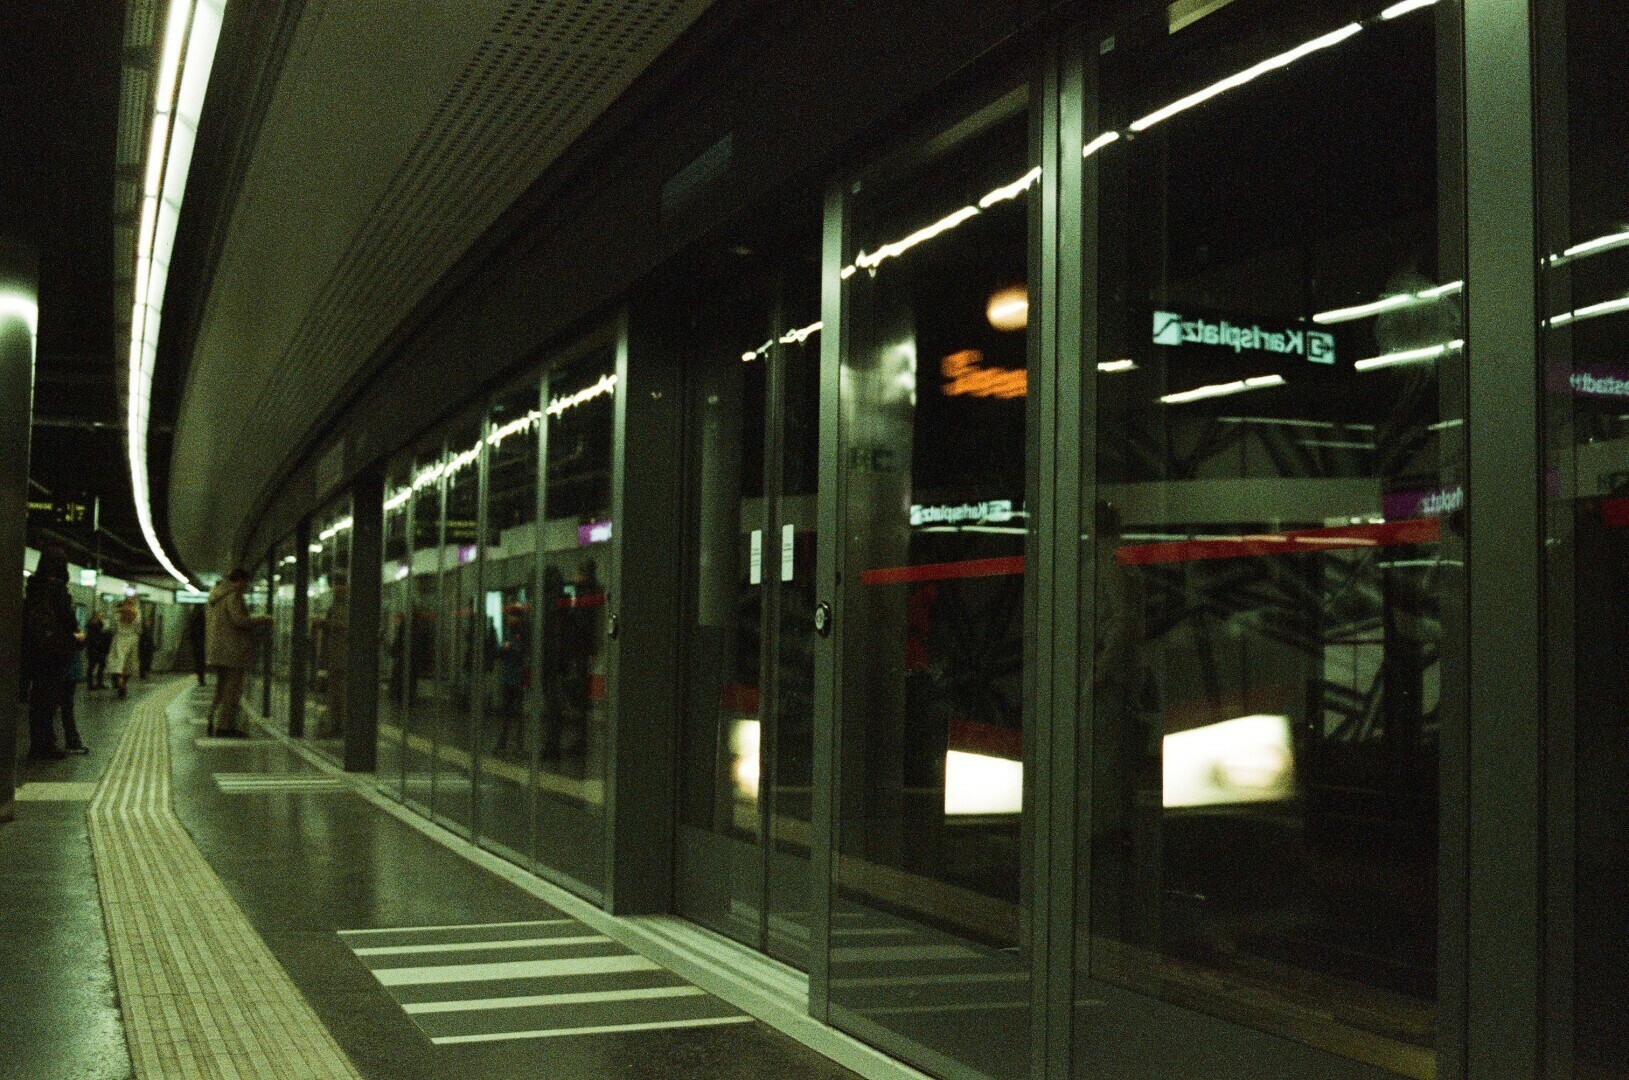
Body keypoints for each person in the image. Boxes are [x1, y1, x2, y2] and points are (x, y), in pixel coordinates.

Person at [20, 551, 85, 758]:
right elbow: (69, 622)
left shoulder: (33, 588)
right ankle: (46, 746)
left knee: (37, 700)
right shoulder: (57, 589)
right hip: (54, 653)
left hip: (34, 651)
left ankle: (36, 745)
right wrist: (77, 636)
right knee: (49, 701)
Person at [205, 567, 271, 736]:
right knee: (232, 690)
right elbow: (239, 620)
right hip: (232, 651)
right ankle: (225, 727)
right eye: (245, 582)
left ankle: (213, 721)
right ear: (240, 580)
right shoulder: (233, 595)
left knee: (221, 688)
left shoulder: (216, 595)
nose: (246, 586)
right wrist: (261, 619)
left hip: (217, 650)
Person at [106, 595, 143, 700]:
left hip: (119, 639)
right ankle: (124, 683)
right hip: (132, 640)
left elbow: (112, 628)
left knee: (118, 662)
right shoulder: (137, 616)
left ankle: (120, 679)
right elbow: (139, 630)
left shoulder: (117, 615)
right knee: (129, 664)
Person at [84, 612, 111, 689]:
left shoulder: (100, 625)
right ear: (95, 617)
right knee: (91, 666)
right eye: (100, 616)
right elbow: (92, 638)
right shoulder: (91, 626)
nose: (101, 617)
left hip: (100, 649)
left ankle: (99, 682)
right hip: (93, 649)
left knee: (101, 666)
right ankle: (90, 684)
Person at [187, 606, 208, 686]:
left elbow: (191, 633)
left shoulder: (194, 621)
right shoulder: (203, 621)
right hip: (201, 644)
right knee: (201, 662)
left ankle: (200, 678)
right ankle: (201, 678)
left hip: (196, 644)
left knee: (198, 662)